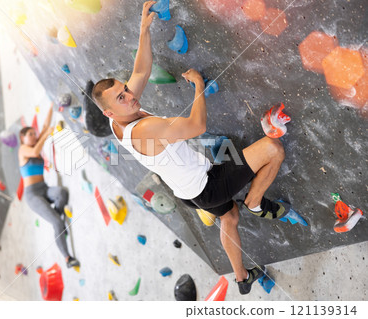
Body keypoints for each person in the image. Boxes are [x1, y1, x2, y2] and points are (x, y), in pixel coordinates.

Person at [91, 1, 287, 294]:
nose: (131, 96)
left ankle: (242, 278)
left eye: (125, 90)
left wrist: (143, 29)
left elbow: (142, 71)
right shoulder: (145, 129)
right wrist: (198, 86)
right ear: (109, 112)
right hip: (207, 185)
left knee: (230, 216)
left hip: (187, 194)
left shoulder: (117, 121)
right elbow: (197, 127)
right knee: (273, 149)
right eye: (122, 97)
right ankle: (256, 202)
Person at [18, 106, 80, 269]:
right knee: (57, 224)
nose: (33, 136)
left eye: (34, 133)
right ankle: (67, 258)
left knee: (61, 193)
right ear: (22, 138)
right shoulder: (23, 150)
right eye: (29, 134)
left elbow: (45, 125)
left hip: (43, 188)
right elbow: (36, 149)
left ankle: (58, 222)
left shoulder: (36, 144)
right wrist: (45, 135)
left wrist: (52, 106)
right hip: (33, 195)